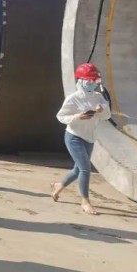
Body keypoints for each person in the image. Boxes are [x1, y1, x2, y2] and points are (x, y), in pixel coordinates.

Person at [51, 63, 111, 215]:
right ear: (81, 80)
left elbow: (107, 116)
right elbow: (61, 116)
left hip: (90, 138)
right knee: (85, 169)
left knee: (78, 169)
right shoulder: (73, 98)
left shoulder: (98, 97)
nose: (92, 83)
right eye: (89, 80)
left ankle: (59, 186)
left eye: (95, 81)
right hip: (74, 137)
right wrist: (78, 117)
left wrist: (101, 109)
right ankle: (85, 201)